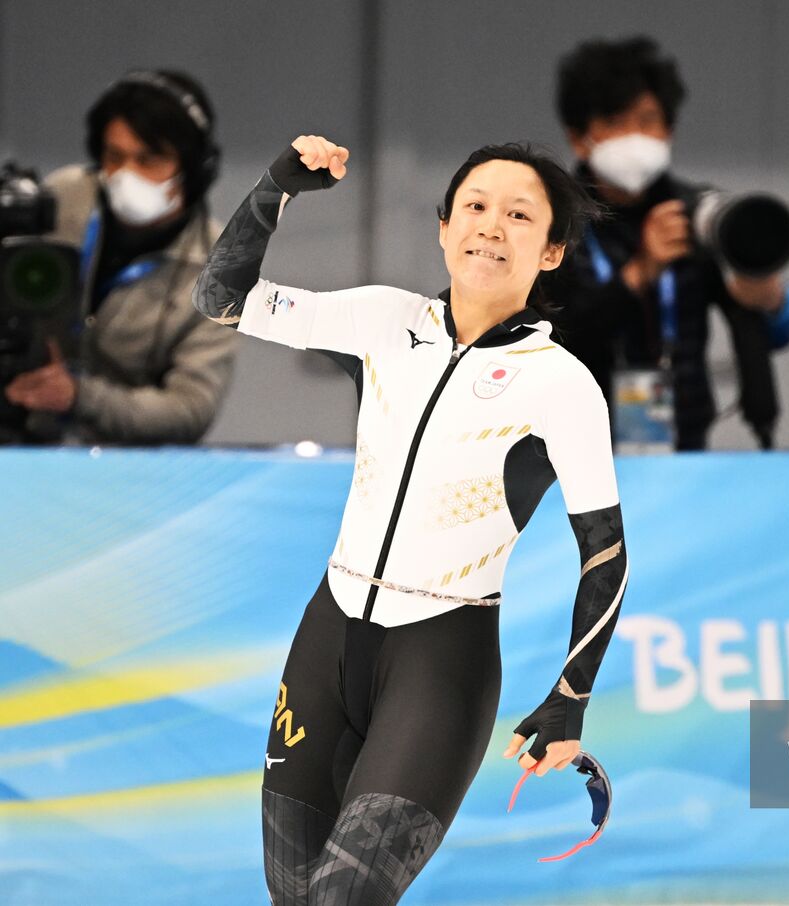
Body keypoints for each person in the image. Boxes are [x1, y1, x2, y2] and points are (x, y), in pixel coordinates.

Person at [193, 136, 627, 904]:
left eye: (519, 215)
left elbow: (604, 551)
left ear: (552, 252)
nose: (492, 226)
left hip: (441, 666)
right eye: (476, 207)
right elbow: (222, 299)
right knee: (293, 899)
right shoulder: (382, 322)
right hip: (326, 639)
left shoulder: (561, 385)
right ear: (444, 227)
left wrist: (572, 697)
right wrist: (276, 187)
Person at [551, 36, 789, 451]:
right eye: (616, 124)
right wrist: (639, 273)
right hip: (578, 444)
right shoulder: (553, 221)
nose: (635, 137)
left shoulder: (698, 215)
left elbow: (778, 331)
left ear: (668, 129)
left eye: (648, 120)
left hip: (684, 442)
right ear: (580, 138)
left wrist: (769, 298)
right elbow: (555, 338)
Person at [3, 70, 237, 444]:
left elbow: (190, 409)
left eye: (150, 159)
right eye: (115, 156)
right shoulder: (62, 199)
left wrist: (79, 396)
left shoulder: (221, 268)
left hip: (128, 468)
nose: (127, 175)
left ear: (195, 169)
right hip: (23, 440)